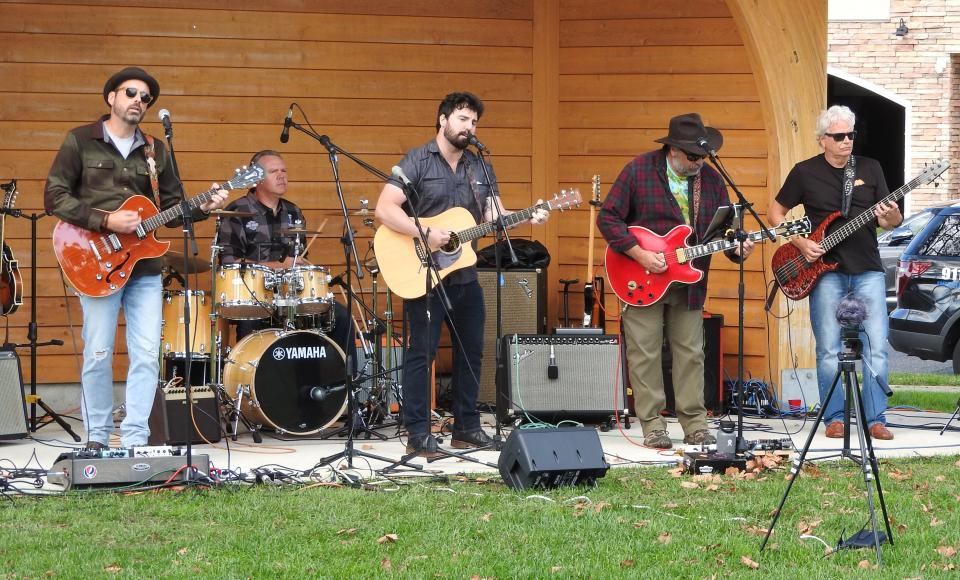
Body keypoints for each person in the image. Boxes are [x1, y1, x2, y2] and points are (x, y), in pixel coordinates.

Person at [44, 66, 227, 449]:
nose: (139, 102)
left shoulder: (155, 150)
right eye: (131, 93)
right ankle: (95, 438)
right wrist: (106, 219)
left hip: (144, 267)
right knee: (98, 353)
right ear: (111, 96)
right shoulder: (80, 141)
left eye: (145, 98)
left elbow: (175, 207)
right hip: (94, 262)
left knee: (146, 354)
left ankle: (135, 439)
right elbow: (55, 197)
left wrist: (205, 205)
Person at [375, 92, 549, 458]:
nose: (469, 128)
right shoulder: (418, 160)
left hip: (464, 274)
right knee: (421, 354)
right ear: (442, 119)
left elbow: (491, 215)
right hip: (423, 273)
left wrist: (526, 215)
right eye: (462, 119)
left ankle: (466, 428)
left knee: (472, 351)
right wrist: (426, 233)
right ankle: (419, 434)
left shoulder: (479, 167)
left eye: (474, 122)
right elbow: (384, 209)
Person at [597, 113, 754, 449]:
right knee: (645, 353)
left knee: (691, 352)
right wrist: (638, 254)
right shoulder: (639, 170)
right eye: (692, 156)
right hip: (641, 277)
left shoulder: (711, 181)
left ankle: (695, 424)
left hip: (689, 280)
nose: (698, 162)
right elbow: (608, 217)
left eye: (702, 155)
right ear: (673, 150)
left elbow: (723, 229)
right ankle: (653, 426)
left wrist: (738, 246)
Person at [769, 105, 897, 441]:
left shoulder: (871, 167)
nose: (846, 141)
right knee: (828, 348)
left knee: (877, 346)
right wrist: (798, 242)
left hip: (867, 268)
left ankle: (876, 419)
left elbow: (890, 221)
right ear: (822, 139)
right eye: (838, 136)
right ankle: (835, 419)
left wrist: (891, 217)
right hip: (823, 271)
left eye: (850, 135)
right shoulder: (804, 172)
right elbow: (775, 211)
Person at [217, 150, 354, 364]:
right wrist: (278, 266)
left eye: (284, 170)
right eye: (274, 171)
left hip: (292, 295)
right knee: (250, 324)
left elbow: (300, 258)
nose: (282, 175)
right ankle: (251, 387)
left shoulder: (293, 212)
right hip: (256, 297)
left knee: (342, 317)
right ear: (257, 179)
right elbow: (228, 263)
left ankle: (341, 388)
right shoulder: (237, 211)